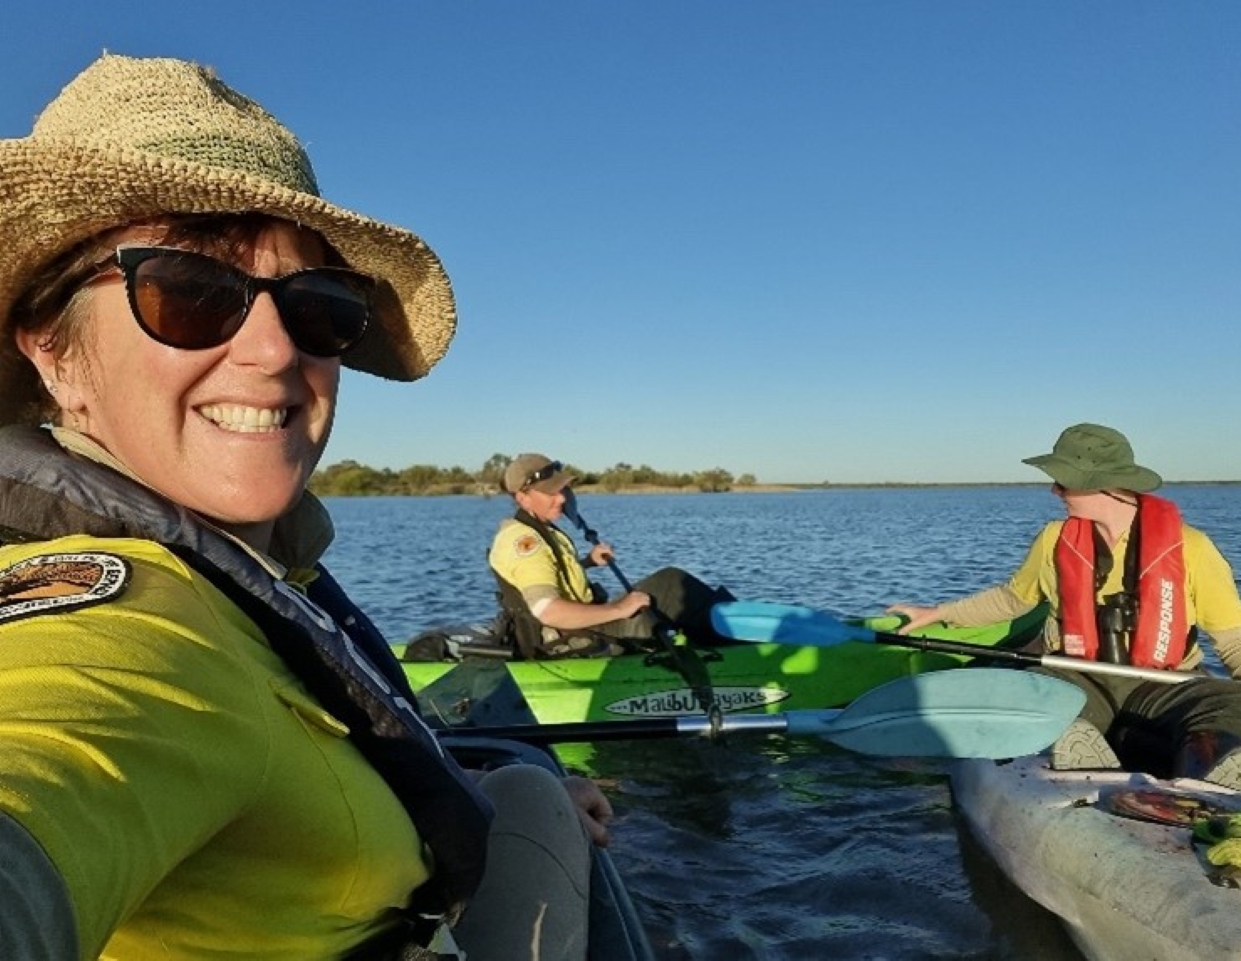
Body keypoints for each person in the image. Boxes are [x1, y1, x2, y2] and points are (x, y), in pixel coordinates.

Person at [0, 54, 610, 960]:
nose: (276, 351)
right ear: (53, 350)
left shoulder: (259, 570)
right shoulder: (122, 623)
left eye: (318, 307)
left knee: (524, 786)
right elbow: (56, 755)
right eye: (190, 292)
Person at [889, 423, 1241, 797]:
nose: (1054, 490)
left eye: (1062, 481)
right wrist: (939, 613)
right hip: (1079, 679)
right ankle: (1080, 758)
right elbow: (1013, 599)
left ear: (1096, 485)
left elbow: (1234, 636)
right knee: (1037, 690)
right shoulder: (1053, 540)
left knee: (1235, 700)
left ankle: (1215, 782)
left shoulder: (1192, 547)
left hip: (1164, 685)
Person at [488, 453, 734, 658]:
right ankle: (741, 647)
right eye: (550, 493)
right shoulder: (525, 541)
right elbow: (547, 610)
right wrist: (618, 610)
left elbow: (550, 575)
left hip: (584, 627)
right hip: (576, 641)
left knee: (669, 587)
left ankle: (725, 640)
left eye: (562, 490)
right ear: (522, 498)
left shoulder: (539, 528)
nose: (562, 498)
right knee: (672, 586)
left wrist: (587, 562)